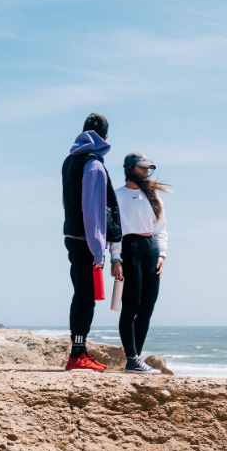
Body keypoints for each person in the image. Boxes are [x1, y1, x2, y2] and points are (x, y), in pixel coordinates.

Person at [61, 113, 121, 372]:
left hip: (73, 235)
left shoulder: (69, 160)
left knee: (82, 294)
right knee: (86, 296)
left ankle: (80, 350)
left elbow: (68, 203)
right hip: (87, 240)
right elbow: (93, 211)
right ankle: (76, 355)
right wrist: (99, 251)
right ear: (104, 137)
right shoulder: (94, 164)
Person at [110, 153, 170, 374]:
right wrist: (115, 258)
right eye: (142, 168)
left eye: (148, 168)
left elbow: (161, 228)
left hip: (150, 249)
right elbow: (114, 231)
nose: (146, 172)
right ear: (130, 168)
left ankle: (137, 358)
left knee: (147, 307)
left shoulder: (152, 195)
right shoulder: (116, 195)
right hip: (129, 248)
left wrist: (162, 256)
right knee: (131, 305)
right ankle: (131, 358)